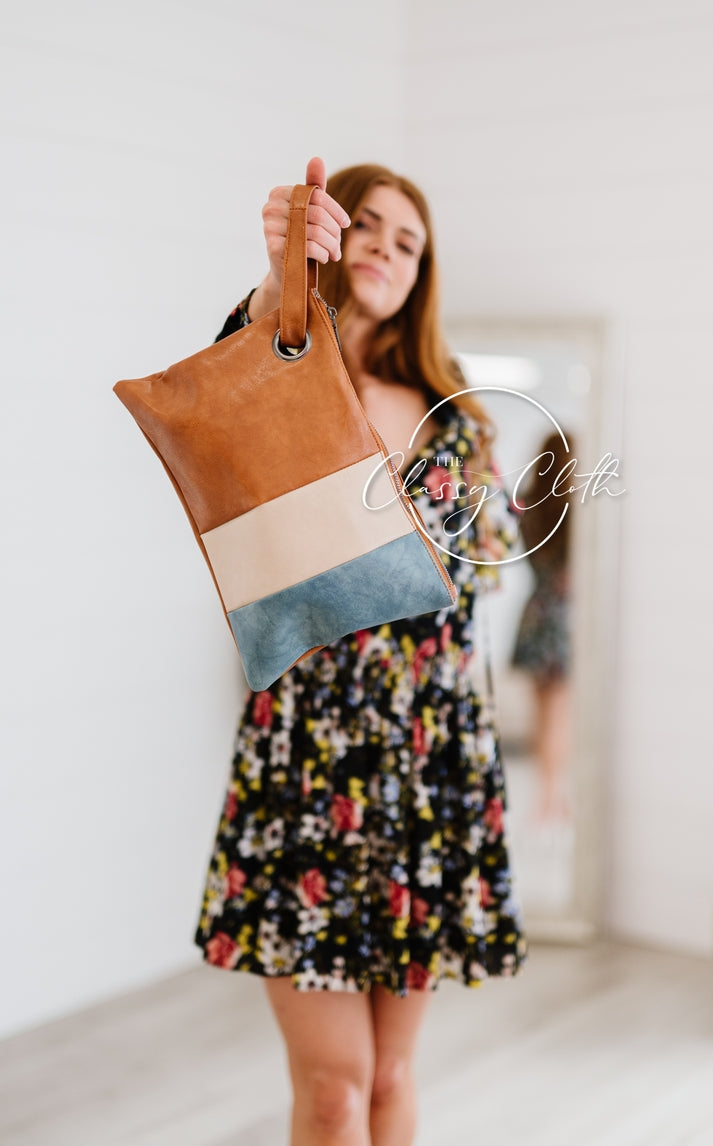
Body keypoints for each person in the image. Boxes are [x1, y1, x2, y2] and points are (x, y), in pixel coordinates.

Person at [194, 157, 526, 1146]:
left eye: (409, 241)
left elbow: (485, 564)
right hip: (307, 759)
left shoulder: (454, 415)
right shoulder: (291, 362)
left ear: (425, 274)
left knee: (387, 1078)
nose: (386, 247)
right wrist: (283, 279)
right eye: (369, 226)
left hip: (432, 765)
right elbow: (229, 386)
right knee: (335, 1085)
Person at [511, 430, 575, 822]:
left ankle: (547, 794)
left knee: (542, 713)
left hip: (535, 613)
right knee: (559, 712)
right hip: (561, 617)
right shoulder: (575, 508)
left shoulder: (530, 504)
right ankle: (554, 796)